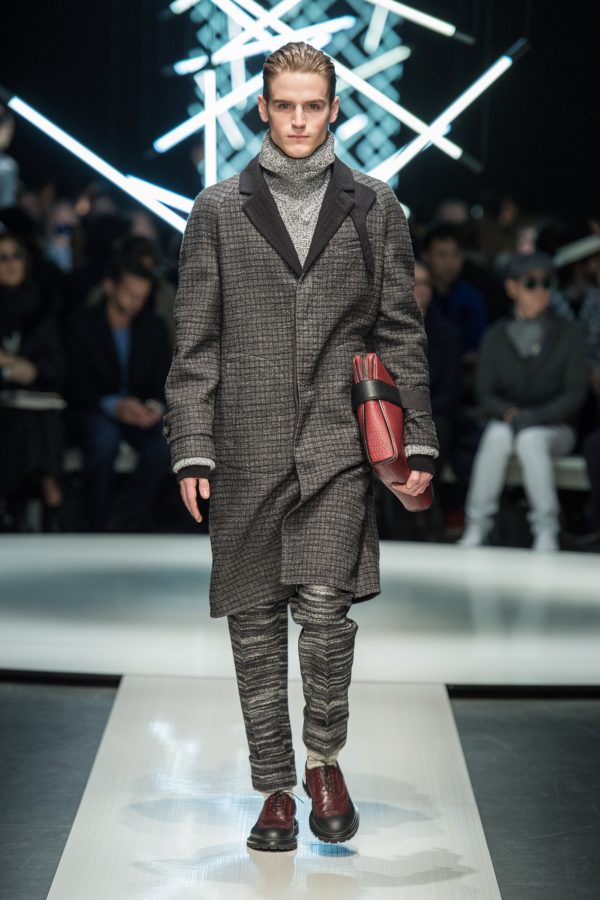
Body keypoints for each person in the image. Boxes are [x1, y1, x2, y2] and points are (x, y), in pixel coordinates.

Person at [163, 42, 437, 852]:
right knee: (253, 625)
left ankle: (323, 760)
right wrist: (192, 446)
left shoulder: (375, 206)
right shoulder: (217, 210)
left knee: (325, 611)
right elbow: (195, 341)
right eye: (284, 105)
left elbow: (399, 333)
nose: (298, 120)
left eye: (312, 106)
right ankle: (274, 791)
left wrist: (416, 440)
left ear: (335, 109)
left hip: (336, 446)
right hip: (243, 446)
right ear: (262, 107)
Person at [459, 252, 587, 552]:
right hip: (509, 421)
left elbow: (575, 393)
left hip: (556, 427)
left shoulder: (569, 334)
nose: (540, 290)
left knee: (531, 440)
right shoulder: (495, 335)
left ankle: (546, 529)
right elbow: (485, 392)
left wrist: (536, 417)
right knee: (496, 436)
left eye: (547, 283)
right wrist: (507, 413)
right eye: (531, 283)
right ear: (512, 288)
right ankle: (477, 526)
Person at [65, 254, 171, 530]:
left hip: (140, 410)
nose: (136, 302)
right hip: (96, 408)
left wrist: (154, 406)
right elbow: (74, 384)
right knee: (104, 440)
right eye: (130, 294)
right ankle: (97, 520)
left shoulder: (152, 326)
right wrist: (115, 405)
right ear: (110, 287)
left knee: (164, 444)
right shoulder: (82, 324)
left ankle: (126, 519)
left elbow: (164, 377)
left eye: (142, 296)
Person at [0, 231, 66, 531]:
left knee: (40, 416)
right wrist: (11, 370)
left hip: (37, 394)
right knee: (23, 420)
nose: (11, 264)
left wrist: (19, 366)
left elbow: (54, 365)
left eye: (16, 256)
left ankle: (45, 502)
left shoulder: (43, 305)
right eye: (3, 258)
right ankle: (49, 499)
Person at [421, 223, 488, 356]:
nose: (450, 262)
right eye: (442, 255)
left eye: (455, 254)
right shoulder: (418, 294)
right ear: (426, 256)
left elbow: (478, 347)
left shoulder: (471, 298)